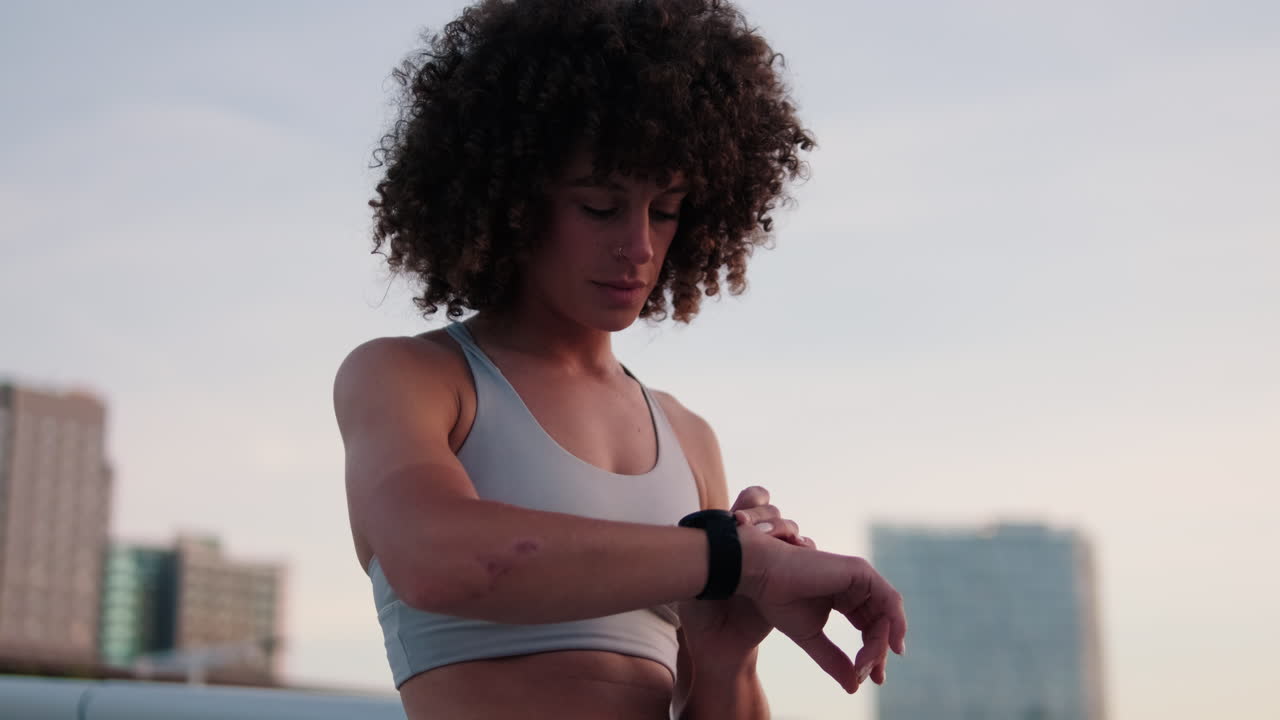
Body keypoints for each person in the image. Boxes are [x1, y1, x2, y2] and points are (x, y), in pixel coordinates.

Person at [334, 1, 907, 718]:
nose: (638, 247)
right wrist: (736, 561)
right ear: (512, 199)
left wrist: (731, 653)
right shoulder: (414, 378)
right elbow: (434, 557)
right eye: (601, 207)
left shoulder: (689, 438)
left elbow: (714, 693)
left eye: (664, 210)